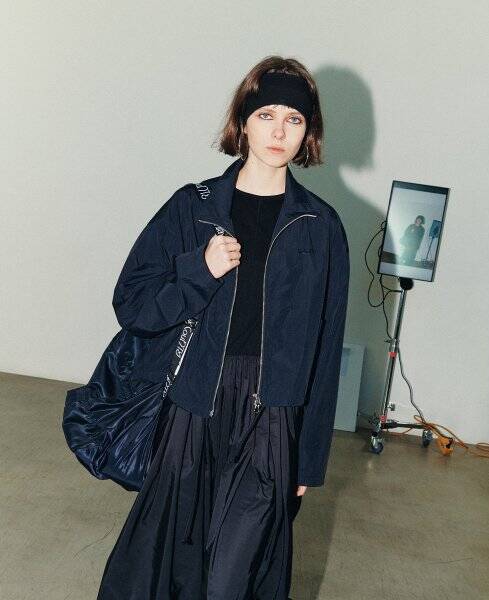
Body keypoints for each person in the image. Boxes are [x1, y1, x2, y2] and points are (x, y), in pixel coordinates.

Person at [96, 55, 350, 599]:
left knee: (235, 576)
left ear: (308, 132)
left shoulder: (321, 227)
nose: (279, 132)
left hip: (271, 418)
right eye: (266, 115)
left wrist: (308, 459)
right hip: (194, 409)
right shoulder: (193, 208)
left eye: (294, 119)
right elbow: (132, 304)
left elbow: (327, 352)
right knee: (172, 572)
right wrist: (198, 272)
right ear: (243, 122)